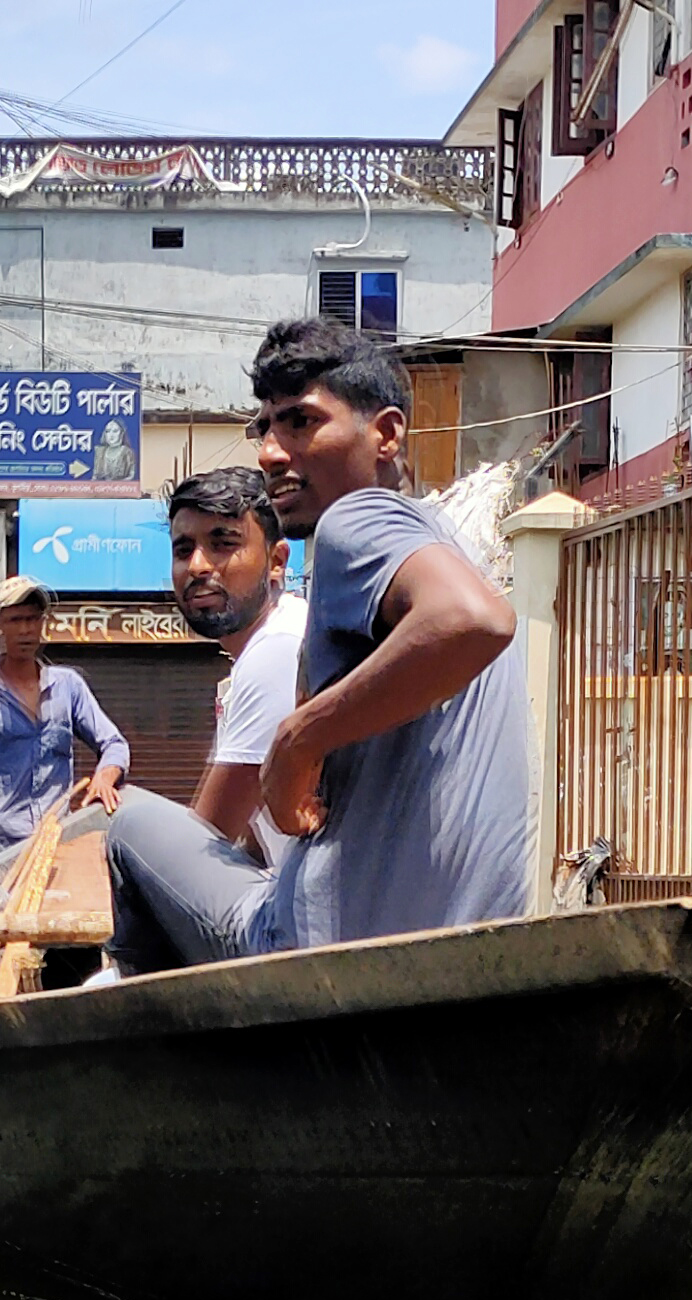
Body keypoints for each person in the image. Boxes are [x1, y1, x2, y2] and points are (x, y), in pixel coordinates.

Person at [105, 317, 530, 973]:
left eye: (300, 423)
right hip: (475, 949)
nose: (272, 452)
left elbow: (476, 621)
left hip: (323, 950)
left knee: (129, 823)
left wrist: (298, 738)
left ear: (385, 434)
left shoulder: (353, 520)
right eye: (265, 429)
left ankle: (144, 1038)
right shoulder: (447, 540)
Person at [0, 576, 128, 881]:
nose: (26, 629)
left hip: (56, 849)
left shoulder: (68, 687)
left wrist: (105, 775)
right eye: (16, 620)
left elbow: (113, 743)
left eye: (33, 619)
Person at [167, 466, 307, 861]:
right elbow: (243, 832)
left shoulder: (278, 650)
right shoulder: (261, 648)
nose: (197, 566)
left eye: (223, 543)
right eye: (183, 550)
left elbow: (205, 844)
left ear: (277, 561)